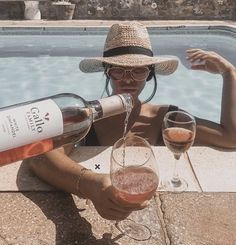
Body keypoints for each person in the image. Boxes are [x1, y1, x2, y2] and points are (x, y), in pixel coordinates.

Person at [28, 21, 236, 220]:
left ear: (149, 74)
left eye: (138, 70)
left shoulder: (165, 118)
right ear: (108, 73)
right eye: (119, 70)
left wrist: (229, 73)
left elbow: (230, 137)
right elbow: (39, 155)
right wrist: (93, 185)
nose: (128, 79)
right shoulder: (88, 116)